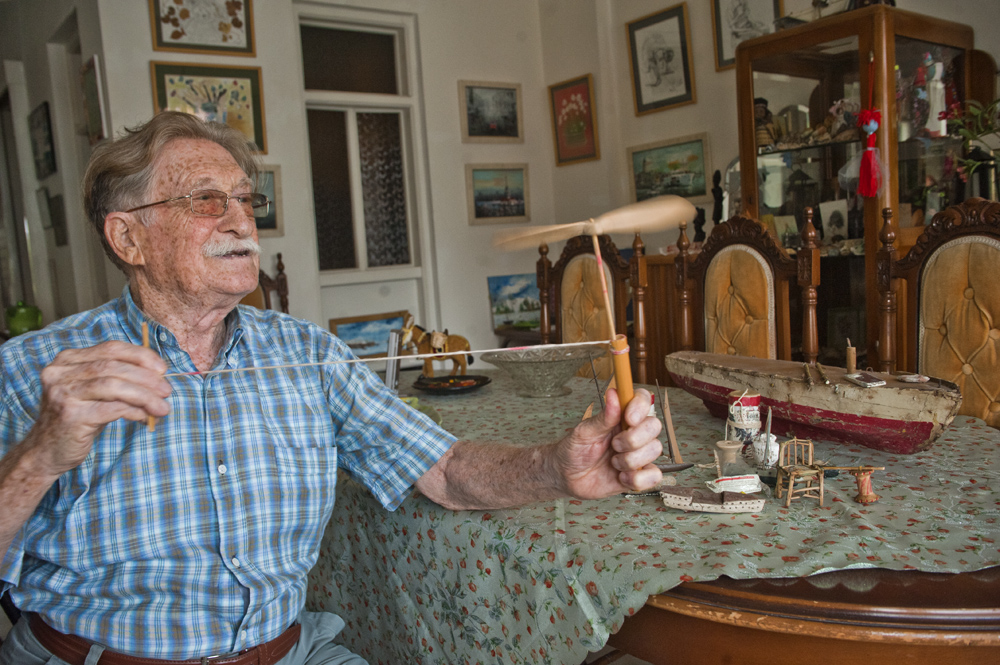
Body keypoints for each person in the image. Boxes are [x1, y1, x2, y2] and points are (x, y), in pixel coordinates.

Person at [0, 112, 664, 664]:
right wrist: (41, 452)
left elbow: (443, 469)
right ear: (127, 236)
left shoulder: (307, 351)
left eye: (244, 199)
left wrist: (558, 464)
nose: (240, 222)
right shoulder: (35, 368)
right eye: (206, 200)